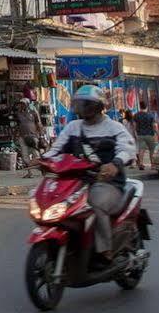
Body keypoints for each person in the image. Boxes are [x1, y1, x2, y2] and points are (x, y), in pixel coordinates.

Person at [49, 84, 139, 269]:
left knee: (94, 204)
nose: (83, 109)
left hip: (107, 183)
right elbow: (56, 150)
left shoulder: (114, 127)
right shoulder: (73, 127)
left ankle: (105, 252)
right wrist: (42, 159)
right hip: (75, 182)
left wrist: (115, 163)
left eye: (87, 104)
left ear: (99, 106)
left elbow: (128, 148)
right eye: (80, 105)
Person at [130, 104, 159, 172]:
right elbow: (154, 126)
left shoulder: (136, 115)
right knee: (152, 150)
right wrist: (158, 135)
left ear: (140, 107)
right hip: (150, 135)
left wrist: (134, 134)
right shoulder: (150, 115)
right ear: (146, 107)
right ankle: (152, 164)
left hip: (140, 135)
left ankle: (141, 163)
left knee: (141, 149)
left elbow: (134, 126)